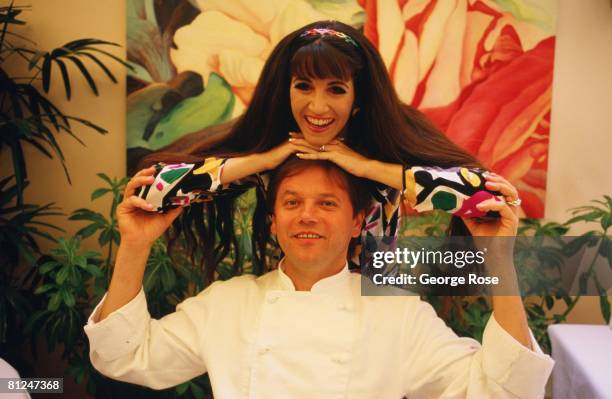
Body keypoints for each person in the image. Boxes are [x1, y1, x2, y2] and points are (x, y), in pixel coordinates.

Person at [85, 158, 553, 398]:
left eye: (327, 203)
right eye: (291, 202)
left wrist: (498, 259)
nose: (306, 216)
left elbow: (499, 390)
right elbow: (124, 357)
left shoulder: (398, 314)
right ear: (273, 221)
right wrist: (136, 243)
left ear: (355, 223)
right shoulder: (227, 303)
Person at [135, 20, 516, 283]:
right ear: (286, 91)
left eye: (335, 89)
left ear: (357, 99)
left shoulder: (385, 140)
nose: (317, 107)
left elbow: (488, 196)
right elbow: (149, 194)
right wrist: (262, 162)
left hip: (376, 308)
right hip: (294, 302)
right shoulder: (270, 145)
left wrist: (369, 168)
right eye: (304, 86)